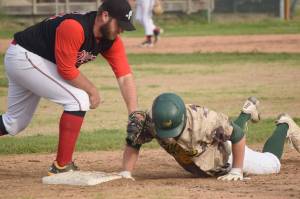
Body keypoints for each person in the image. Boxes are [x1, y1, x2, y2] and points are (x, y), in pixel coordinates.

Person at [0, 0, 139, 175]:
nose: (121, 30)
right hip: (26, 56)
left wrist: (134, 114)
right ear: (105, 16)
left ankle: (61, 165)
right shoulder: (74, 27)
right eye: (119, 24)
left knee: (13, 123)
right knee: (79, 99)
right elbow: (65, 70)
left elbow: (125, 76)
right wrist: (92, 90)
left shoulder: (110, 41)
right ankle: (61, 166)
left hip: (36, 61)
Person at [119, 93, 300, 181]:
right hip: (205, 154)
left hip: (226, 156)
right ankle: (247, 111)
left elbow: (237, 135)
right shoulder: (152, 119)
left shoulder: (205, 120)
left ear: (182, 118)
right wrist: (126, 172)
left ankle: (284, 125)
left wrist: (237, 170)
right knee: (224, 131)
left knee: (272, 164)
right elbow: (134, 141)